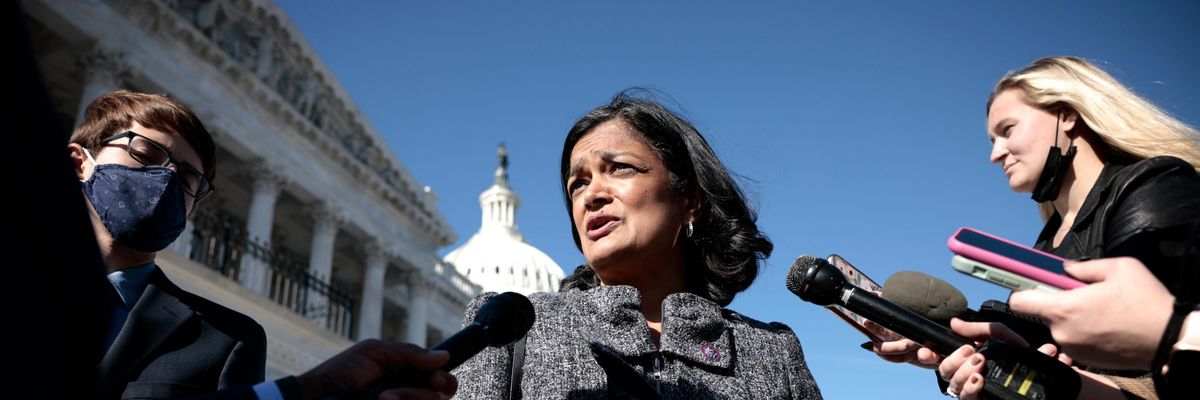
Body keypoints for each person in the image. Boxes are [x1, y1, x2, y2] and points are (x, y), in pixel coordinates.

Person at [453, 92, 823, 399]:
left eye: (620, 168)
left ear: (690, 200)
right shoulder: (511, 330)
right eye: (578, 184)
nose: (591, 195)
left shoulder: (773, 355)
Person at [923, 56, 1200, 399]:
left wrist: (1059, 381)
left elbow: (1150, 362)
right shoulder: (1046, 243)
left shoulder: (1152, 187)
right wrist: (943, 337)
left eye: (1007, 130)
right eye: (992, 140)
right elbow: (1041, 347)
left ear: (1066, 115)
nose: (996, 154)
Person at [69, 89, 269, 399]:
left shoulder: (228, 338)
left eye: (187, 180)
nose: (167, 180)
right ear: (78, 164)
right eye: (146, 155)